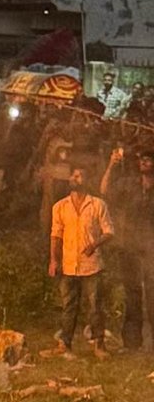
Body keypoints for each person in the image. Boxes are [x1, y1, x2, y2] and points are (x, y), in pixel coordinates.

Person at [48, 164, 114, 357]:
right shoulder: (60, 206)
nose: (75, 179)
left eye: (80, 176)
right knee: (68, 306)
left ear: (88, 180)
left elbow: (109, 232)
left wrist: (94, 245)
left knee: (95, 307)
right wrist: (53, 260)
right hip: (69, 264)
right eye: (73, 176)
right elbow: (55, 235)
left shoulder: (98, 205)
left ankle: (99, 345)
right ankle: (64, 344)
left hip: (91, 265)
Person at [102, 144, 154, 352]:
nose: (144, 162)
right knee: (132, 294)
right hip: (131, 246)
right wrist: (112, 165)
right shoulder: (130, 184)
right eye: (142, 158)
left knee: (153, 295)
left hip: (152, 247)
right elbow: (105, 190)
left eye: (149, 159)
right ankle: (132, 344)